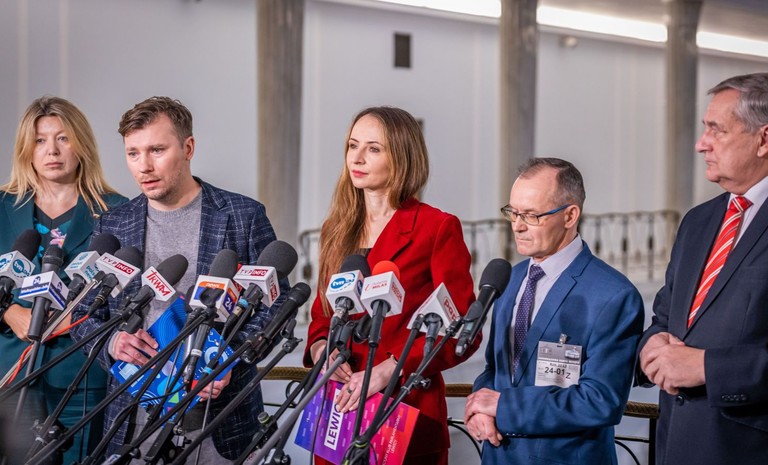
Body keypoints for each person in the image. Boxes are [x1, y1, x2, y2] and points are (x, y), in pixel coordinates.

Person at [69, 96, 289, 463]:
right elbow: (82, 313)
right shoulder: (113, 224)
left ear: (188, 148)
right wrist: (112, 342)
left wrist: (230, 359)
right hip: (134, 418)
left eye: (157, 150)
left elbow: (276, 307)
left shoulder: (243, 216)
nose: (144, 166)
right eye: (133, 153)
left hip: (220, 419)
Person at [303, 106, 478, 465]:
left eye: (374, 148)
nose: (357, 158)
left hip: (404, 408)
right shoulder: (336, 228)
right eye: (353, 146)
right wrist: (322, 350)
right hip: (339, 408)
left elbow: (462, 330)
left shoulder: (436, 227)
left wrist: (390, 369)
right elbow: (322, 313)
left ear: (402, 156)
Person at [465, 158, 644, 465]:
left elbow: (600, 401)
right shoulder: (509, 279)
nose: (517, 226)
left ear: (570, 215)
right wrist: (479, 410)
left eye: (531, 215)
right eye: (513, 213)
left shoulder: (613, 295)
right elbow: (497, 370)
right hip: (498, 455)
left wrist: (504, 407)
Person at [638, 73, 768, 464]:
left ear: (763, 139)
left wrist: (707, 367)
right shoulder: (698, 221)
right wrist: (651, 345)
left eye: (717, 130)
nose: (701, 144)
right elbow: (665, 317)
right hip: (675, 444)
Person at [0, 96, 127, 463]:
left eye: (63, 138)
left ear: (81, 144)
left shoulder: (117, 211)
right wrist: (9, 312)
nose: (51, 151)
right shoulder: (3, 206)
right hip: (10, 368)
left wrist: (81, 315)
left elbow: (127, 290)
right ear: (26, 149)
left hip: (80, 375)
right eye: (39, 140)